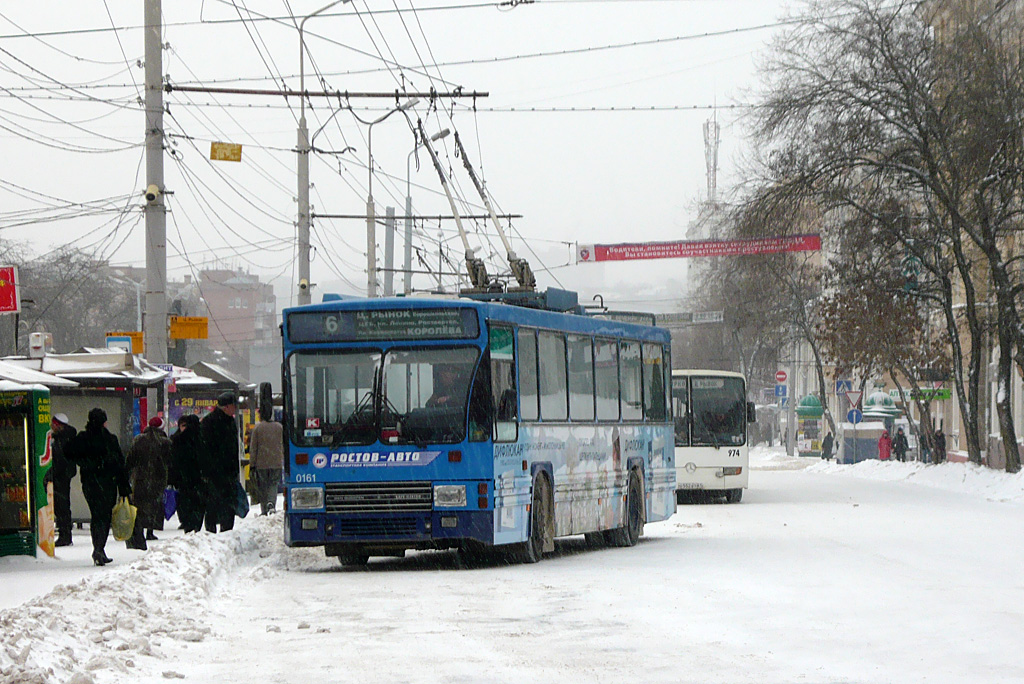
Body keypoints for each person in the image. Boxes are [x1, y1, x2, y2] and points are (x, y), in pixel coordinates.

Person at [65, 408, 129, 566]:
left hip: (90, 483)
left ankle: (98, 548)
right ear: (104, 422)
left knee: (96, 515)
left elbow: (68, 451)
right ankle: (99, 548)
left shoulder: (83, 438)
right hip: (107, 483)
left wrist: (85, 463)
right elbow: (120, 465)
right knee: (104, 516)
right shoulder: (110, 439)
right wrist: (124, 487)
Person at [124, 416, 171, 550]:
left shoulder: (139, 440)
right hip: (158, 479)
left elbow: (130, 460)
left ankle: (139, 533)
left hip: (140, 478)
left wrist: (127, 476)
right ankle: (150, 530)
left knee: (139, 505)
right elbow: (170, 462)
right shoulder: (165, 442)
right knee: (154, 504)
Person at [201, 392, 240, 533]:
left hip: (224, 471)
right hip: (216, 472)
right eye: (234, 406)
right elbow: (206, 448)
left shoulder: (228, 421)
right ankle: (215, 530)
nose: (235, 409)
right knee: (217, 502)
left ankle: (225, 530)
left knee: (223, 503)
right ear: (227, 406)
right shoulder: (210, 422)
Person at [169, 414, 206, 533]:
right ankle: (196, 524)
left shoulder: (179, 439)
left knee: (186, 501)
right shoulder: (202, 438)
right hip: (199, 476)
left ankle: (188, 524)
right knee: (198, 502)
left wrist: (174, 477)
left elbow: (174, 460)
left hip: (184, 477)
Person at [49, 413, 78, 547]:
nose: (52, 426)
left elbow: (60, 460)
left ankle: (65, 535)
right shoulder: (66, 438)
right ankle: (65, 533)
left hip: (60, 476)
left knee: (61, 506)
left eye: (53, 424)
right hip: (63, 476)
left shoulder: (61, 440)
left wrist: (54, 473)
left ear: (58, 425)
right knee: (63, 505)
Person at [248, 407, 284, 516]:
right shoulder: (279, 427)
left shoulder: (258, 428)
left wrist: (252, 464)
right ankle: (271, 503)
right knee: (273, 484)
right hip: (276, 461)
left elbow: (254, 448)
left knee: (263, 486)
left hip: (261, 463)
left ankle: (264, 509)